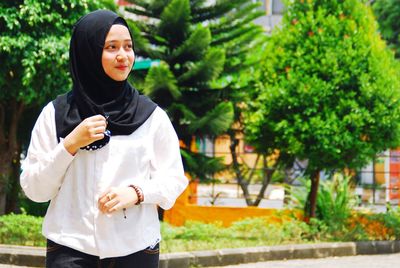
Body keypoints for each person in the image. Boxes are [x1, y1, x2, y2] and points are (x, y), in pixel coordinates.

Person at [20, 9, 188, 268]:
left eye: (128, 46)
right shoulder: (56, 114)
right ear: (87, 52)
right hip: (70, 247)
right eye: (111, 47)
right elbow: (35, 189)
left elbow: (174, 179)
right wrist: (70, 144)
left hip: (135, 248)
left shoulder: (151, 116)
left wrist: (137, 192)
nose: (123, 56)